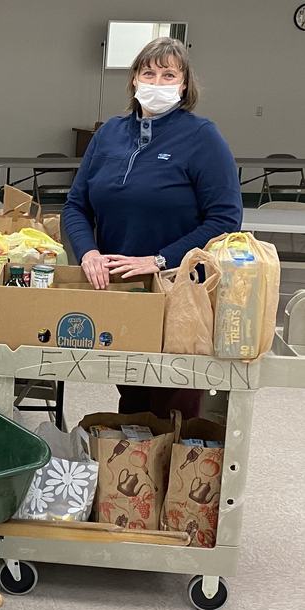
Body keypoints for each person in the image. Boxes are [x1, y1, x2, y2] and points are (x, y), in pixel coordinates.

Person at [62, 37, 242, 418]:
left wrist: (159, 260)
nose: (156, 82)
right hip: (121, 288)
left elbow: (225, 220)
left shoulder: (202, 137)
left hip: (179, 290)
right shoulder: (109, 134)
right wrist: (88, 252)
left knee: (174, 402)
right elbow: (76, 205)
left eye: (168, 74)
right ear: (133, 81)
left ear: (183, 85)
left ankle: (181, 474)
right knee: (132, 398)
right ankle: (132, 470)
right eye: (148, 73)